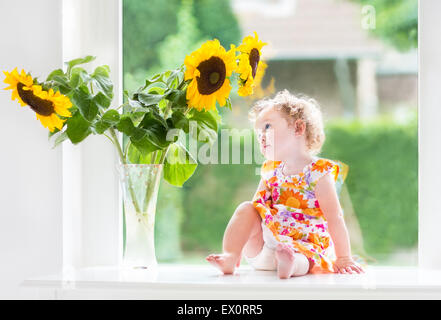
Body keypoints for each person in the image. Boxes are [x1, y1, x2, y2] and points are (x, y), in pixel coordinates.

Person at [206, 89, 364, 279]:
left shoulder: (319, 172)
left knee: (304, 260)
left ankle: (289, 264)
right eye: (258, 134)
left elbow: (335, 217)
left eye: (267, 127)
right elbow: (258, 208)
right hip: (265, 246)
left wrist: (344, 257)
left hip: (305, 246)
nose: (261, 137)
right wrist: (249, 236)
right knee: (246, 208)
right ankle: (231, 256)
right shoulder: (270, 171)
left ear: (298, 128)